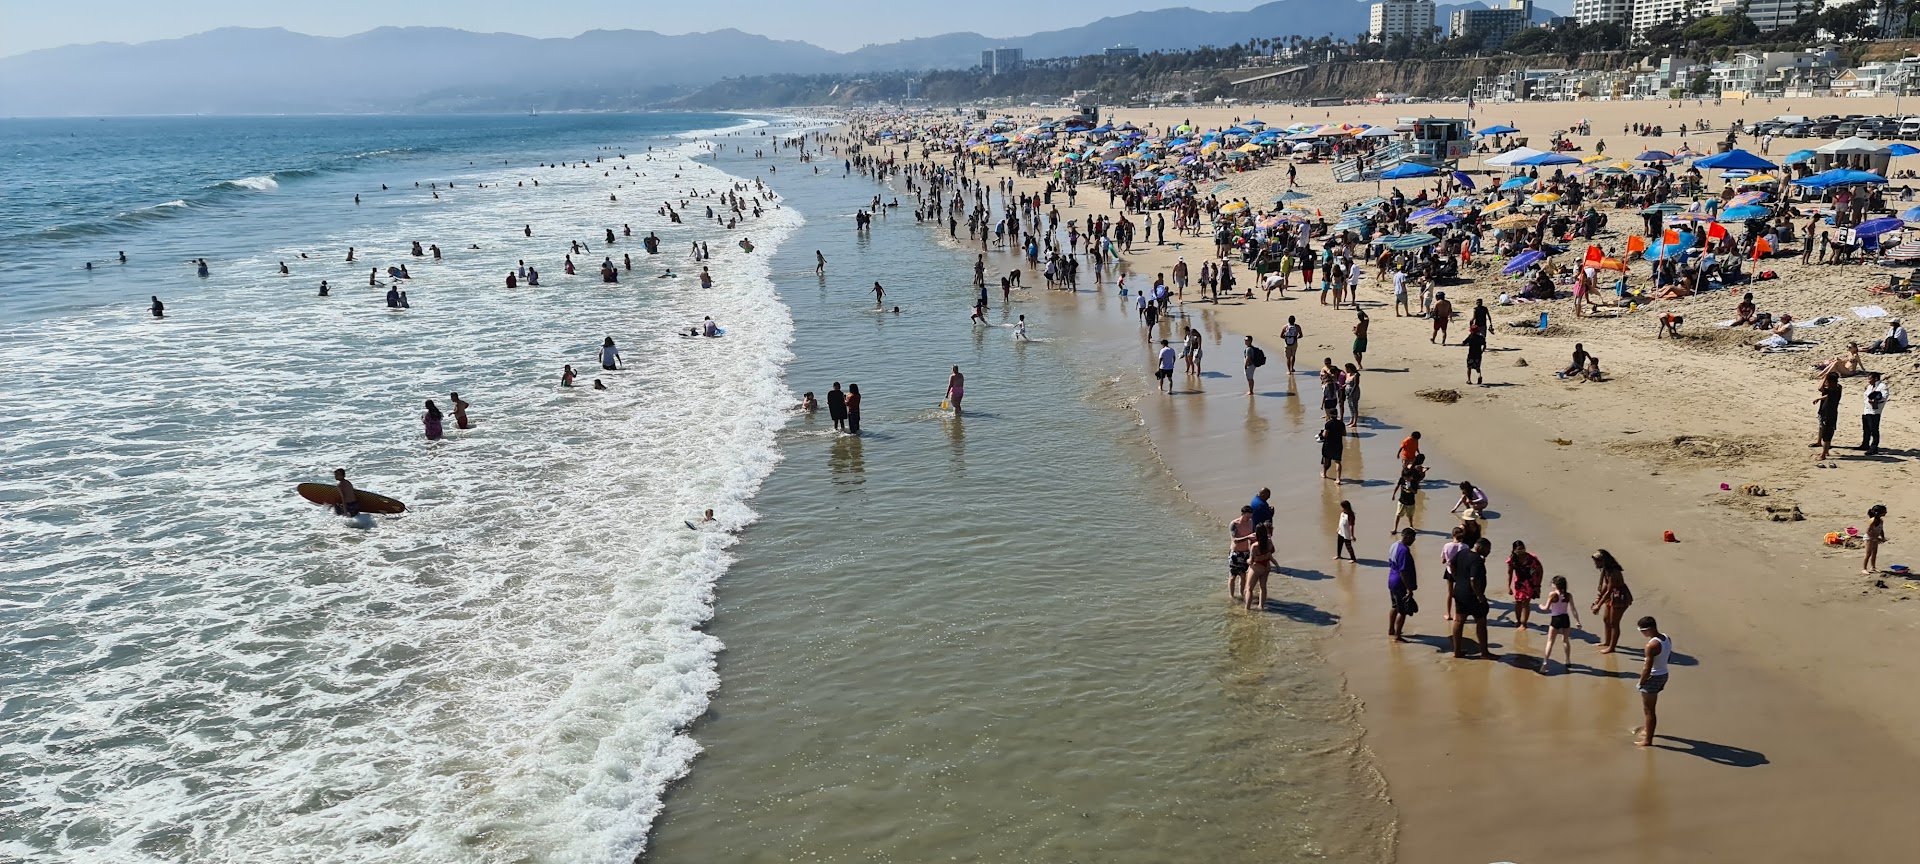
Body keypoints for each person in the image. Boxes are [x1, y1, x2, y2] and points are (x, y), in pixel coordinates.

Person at [1450, 538, 1499, 659]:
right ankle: (1484, 652)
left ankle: (1457, 651)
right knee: (1481, 622)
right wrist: (1480, 596)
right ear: (1480, 548)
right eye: (1488, 549)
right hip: (1472, 596)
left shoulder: (1462, 552)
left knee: (1458, 621)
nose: (1489, 552)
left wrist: (1459, 580)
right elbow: (1473, 580)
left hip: (1459, 592)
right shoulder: (1477, 560)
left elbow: (1451, 564)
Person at [1634, 617, 1672, 747]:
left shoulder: (1651, 645)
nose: (1642, 634)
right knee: (1650, 708)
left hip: (1653, 678)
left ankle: (1648, 740)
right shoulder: (1666, 637)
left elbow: (1647, 668)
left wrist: (1641, 682)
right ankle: (1647, 729)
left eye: (1642, 631)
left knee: (1649, 710)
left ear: (1649, 629)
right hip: (1664, 674)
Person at [1537, 575, 1583, 674]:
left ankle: (1545, 663)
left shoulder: (1552, 594)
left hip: (1556, 619)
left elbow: (1546, 608)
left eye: (1552, 583)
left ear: (1555, 585)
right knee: (1565, 641)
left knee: (1550, 642)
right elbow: (1573, 609)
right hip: (1565, 618)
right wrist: (1577, 621)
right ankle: (1568, 660)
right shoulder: (1568, 595)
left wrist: (1540, 606)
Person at [1591, 549, 1633, 654]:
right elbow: (1606, 586)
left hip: (1619, 597)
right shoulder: (1606, 569)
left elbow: (1609, 590)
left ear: (1603, 561)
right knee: (1606, 620)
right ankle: (1607, 642)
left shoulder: (1614, 572)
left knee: (1614, 623)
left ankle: (1612, 647)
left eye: (1597, 561)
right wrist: (1598, 598)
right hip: (1611, 595)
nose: (1595, 564)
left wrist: (1598, 606)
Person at [1387, 528, 1418, 642]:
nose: (1414, 540)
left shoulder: (1394, 545)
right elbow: (1403, 571)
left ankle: (1391, 630)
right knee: (1403, 611)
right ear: (1408, 537)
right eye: (1413, 538)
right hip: (1400, 583)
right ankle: (1397, 636)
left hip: (1391, 580)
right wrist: (1409, 589)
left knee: (1394, 606)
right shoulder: (1404, 551)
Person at [1506, 540, 1543, 630]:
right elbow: (1509, 573)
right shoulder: (1512, 560)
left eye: (1523, 548)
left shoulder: (1532, 558)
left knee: (1526, 603)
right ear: (1514, 550)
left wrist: (1538, 585)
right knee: (1518, 603)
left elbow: (1540, 571)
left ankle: (1524, 624)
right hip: (1518, 583)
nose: (1522, 551)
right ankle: (1518, 621)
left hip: (1530, 583)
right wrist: (1508, 586)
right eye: (1519, 549)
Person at [1228, 505, 1257, 601]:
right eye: (1247, 516)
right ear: (1242, 514)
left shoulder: (1251, 522)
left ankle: (1242, 595)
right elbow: (1235, 540)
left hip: (1246, 552)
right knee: (1233, 576)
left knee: (1243, 576)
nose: (1248, 519)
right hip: (1235, 553)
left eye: (1250, 517)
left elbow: (1252, 538)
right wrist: (1248, 537)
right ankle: (1231, 596)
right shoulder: (1234, 524)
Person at [1815, 368, 1842, 461]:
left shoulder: (1833, 389)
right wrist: (1819, 398)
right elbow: (1826, 395)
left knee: (1827, 434)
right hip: (1828, 413)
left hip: (1829, 415)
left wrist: (1825, 376)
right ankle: (1825, 451)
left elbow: (1820, 388)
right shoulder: (1837, 388)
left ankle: (1823, 455)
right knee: (1826, 432)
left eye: (1827, 381)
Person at [1390, 462, 1422, 534]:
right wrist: (1394, 494)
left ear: (1411, 476)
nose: (1407, 479)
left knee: (1410, 515)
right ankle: (1395, 528)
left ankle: (1411, 525)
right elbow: (1397, 486)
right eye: (1405, 478)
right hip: (1402, 501)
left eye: (1408, 478)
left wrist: (1411, 489)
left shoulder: (1414, 482)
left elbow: (1415, 492)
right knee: (1398, 514)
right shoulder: (1402, 479)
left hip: (1410, 502)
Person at [1861, 371, 1888, 455]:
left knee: (1874, 430)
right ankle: (1865, 444)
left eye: (1870, 379)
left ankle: (1874, 447)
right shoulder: (1869, 386)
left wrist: (1875, 400)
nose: (1868, 380)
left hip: (1875, 411)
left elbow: (1884, 396)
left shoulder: (1882, 386)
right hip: (1866, 410)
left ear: (1875, 378)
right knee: (1866, 429)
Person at [1319, 413, 1346, 483]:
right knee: (1338, 461)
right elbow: (1344, 434)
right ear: (1337, 415)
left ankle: (1324, 473)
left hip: (1329, 444)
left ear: (1330, 415)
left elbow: (1325, 435)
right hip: (1338, 444)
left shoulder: (1328, 424)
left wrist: (1321, 434)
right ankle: (1338, 479)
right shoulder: (1341, 423)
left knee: (1326, 459)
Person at [1864, 503, 1888, 575]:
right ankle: (1864, 568)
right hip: (1869, 538)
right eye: (1884, 511)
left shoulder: (1881, 521)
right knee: (1868, 554)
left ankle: (1873, 567)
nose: (1886, 513)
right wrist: (1872, 537)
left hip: (1875, 538)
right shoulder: (1872, 520)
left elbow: (1881, 530)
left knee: (1874, 553)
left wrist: (1882, 537)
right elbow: (1868, 531)